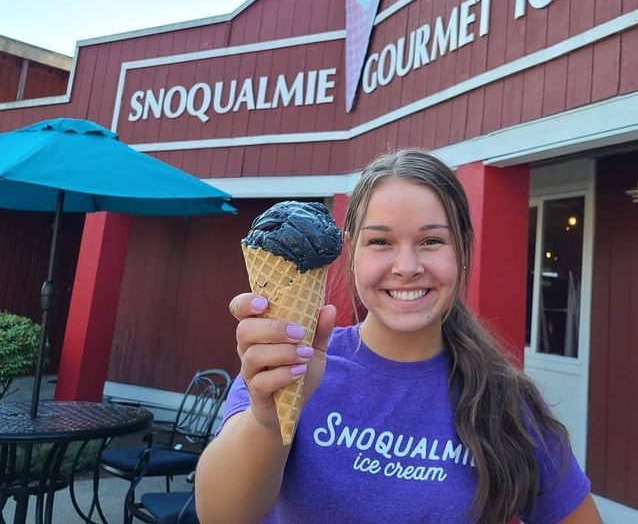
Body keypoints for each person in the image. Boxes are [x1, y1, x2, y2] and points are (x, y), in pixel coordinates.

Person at [196, 149, 602, 524]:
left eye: (431, 241)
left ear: (461, 251)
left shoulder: (506, 401)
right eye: (380, 242)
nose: (406, 266)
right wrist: (268, 421)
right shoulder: (290, 362)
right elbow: (220, 516)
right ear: (352, 252)